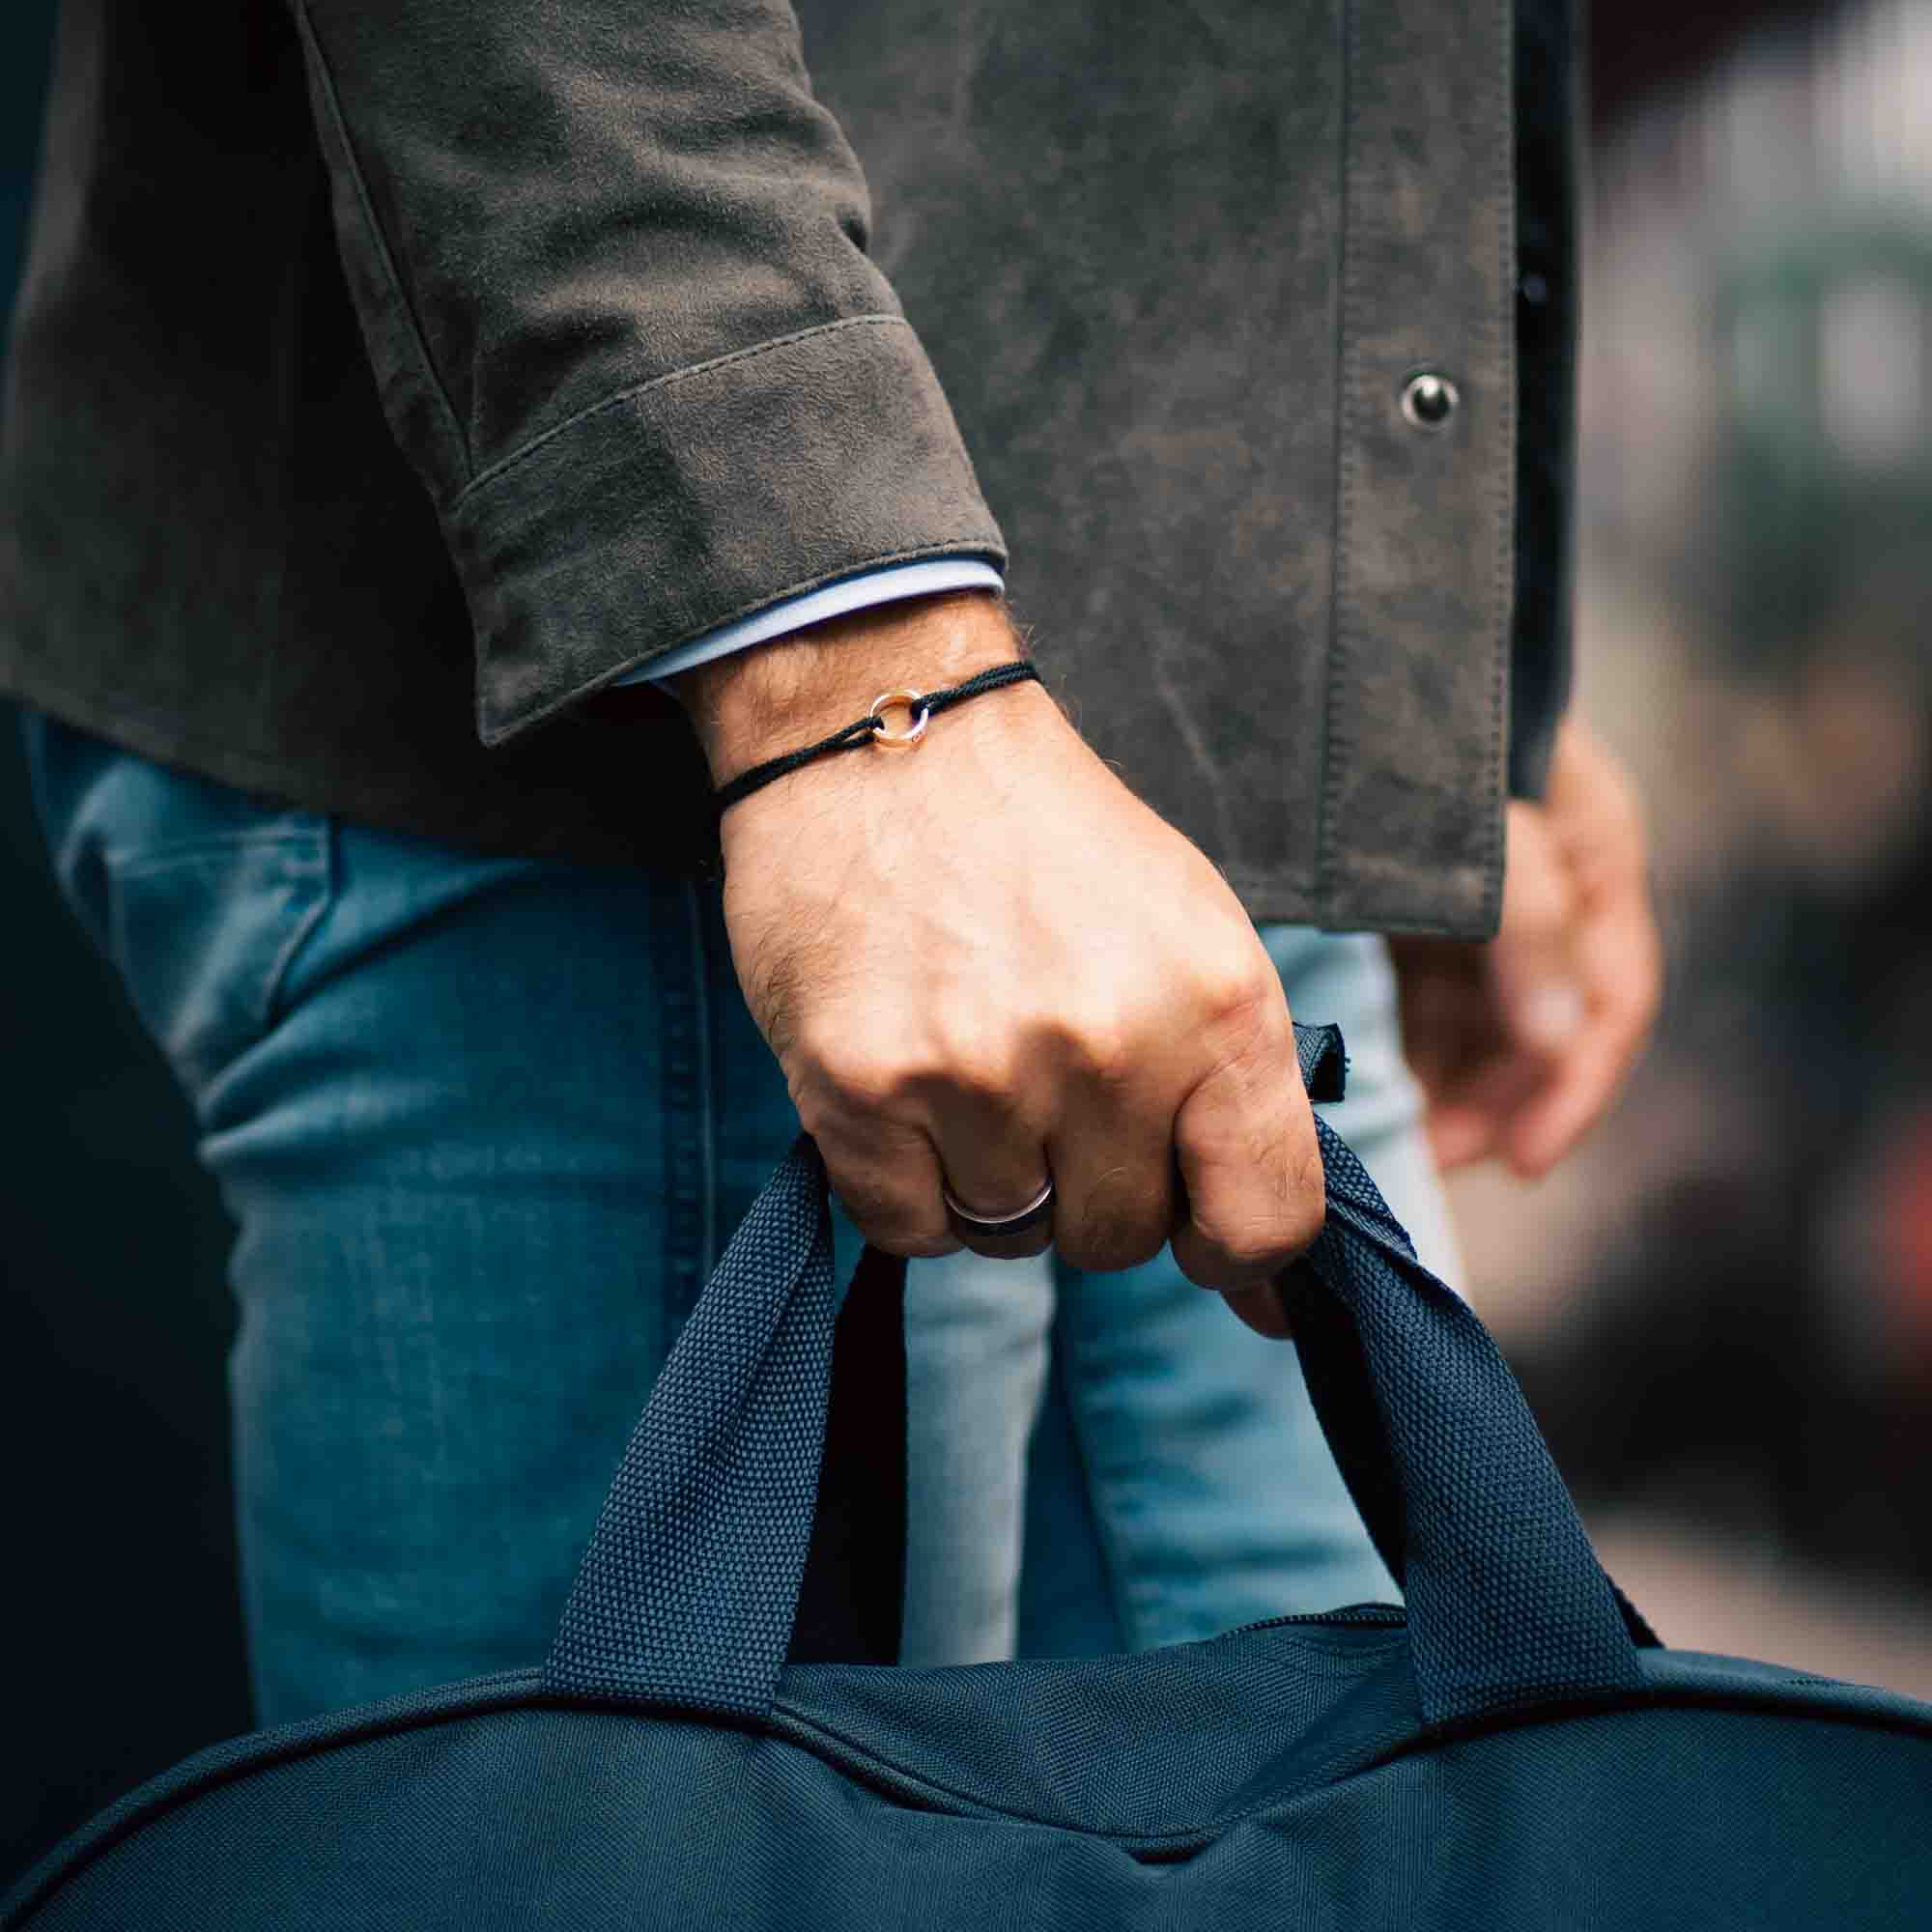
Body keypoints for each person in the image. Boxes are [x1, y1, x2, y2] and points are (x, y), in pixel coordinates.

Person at [1, 0, 1659, 1721]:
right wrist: (850, 666)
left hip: (1162, 770)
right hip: (655, 747)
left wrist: (1441, 686)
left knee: (1384, 1839)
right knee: (636, 1849)